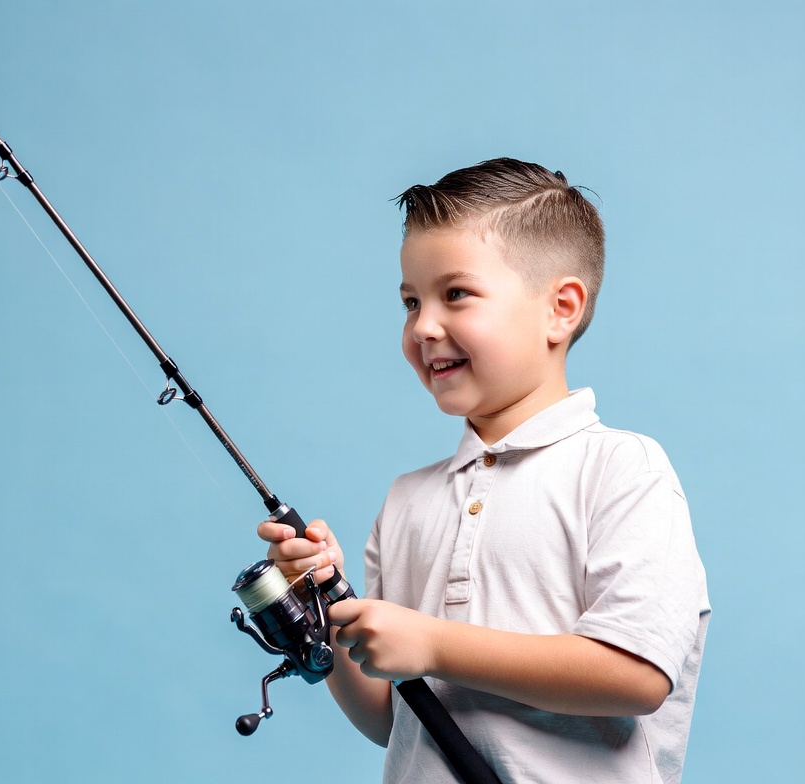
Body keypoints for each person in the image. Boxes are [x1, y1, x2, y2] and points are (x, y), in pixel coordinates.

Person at [258, 158, 710, 783]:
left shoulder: (623, 471)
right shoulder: (407, 500)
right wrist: (330, 610)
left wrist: (435, 645)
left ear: (561, 309)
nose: (424, 326)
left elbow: (635, 675)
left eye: (456, 294)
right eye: (410, 302)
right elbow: (389, 719)